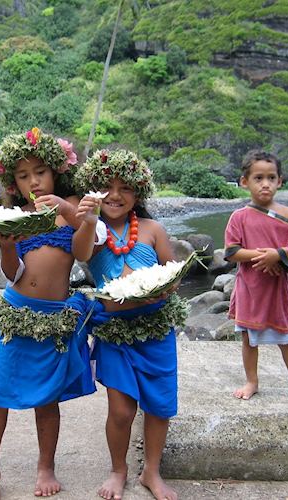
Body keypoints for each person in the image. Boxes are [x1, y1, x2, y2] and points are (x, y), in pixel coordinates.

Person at [0, 128, 91, 500]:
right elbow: (14, 272)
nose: (33, 182)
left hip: (54, 318)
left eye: (39, 172)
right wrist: (7, 248)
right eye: (23, 176)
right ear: (13, 182)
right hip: (16, 312)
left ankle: (46, 466)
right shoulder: (16, 216)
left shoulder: (70, 208)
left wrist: (70, 210)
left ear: (56, 170)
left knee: (47, 397)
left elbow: (85, 250)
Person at [73, 149, 183, 500]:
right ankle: (118, 469)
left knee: (159, 404)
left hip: (155, 331)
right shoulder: (93, 231)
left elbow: (174, 273)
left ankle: (151, 471)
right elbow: (81, 255)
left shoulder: (153, 230)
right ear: (93, 190)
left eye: (125, 188)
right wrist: (88, 219)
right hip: (114, 333)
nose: (116, 195)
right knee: (121, 410)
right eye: (107, 187)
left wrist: (160, 290)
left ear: (139, 192)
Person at [224, 150, 288, 408]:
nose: (265, 183)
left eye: (271, 177)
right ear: (245, 182)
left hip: (276, 289)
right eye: (258, 178)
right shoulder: (239, 217)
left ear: (280, 181)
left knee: (286, 338)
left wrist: (278, 255)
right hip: (250, 289)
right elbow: (231, 252)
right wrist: (261, 256)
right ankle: (252, 381)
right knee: (248, 338)